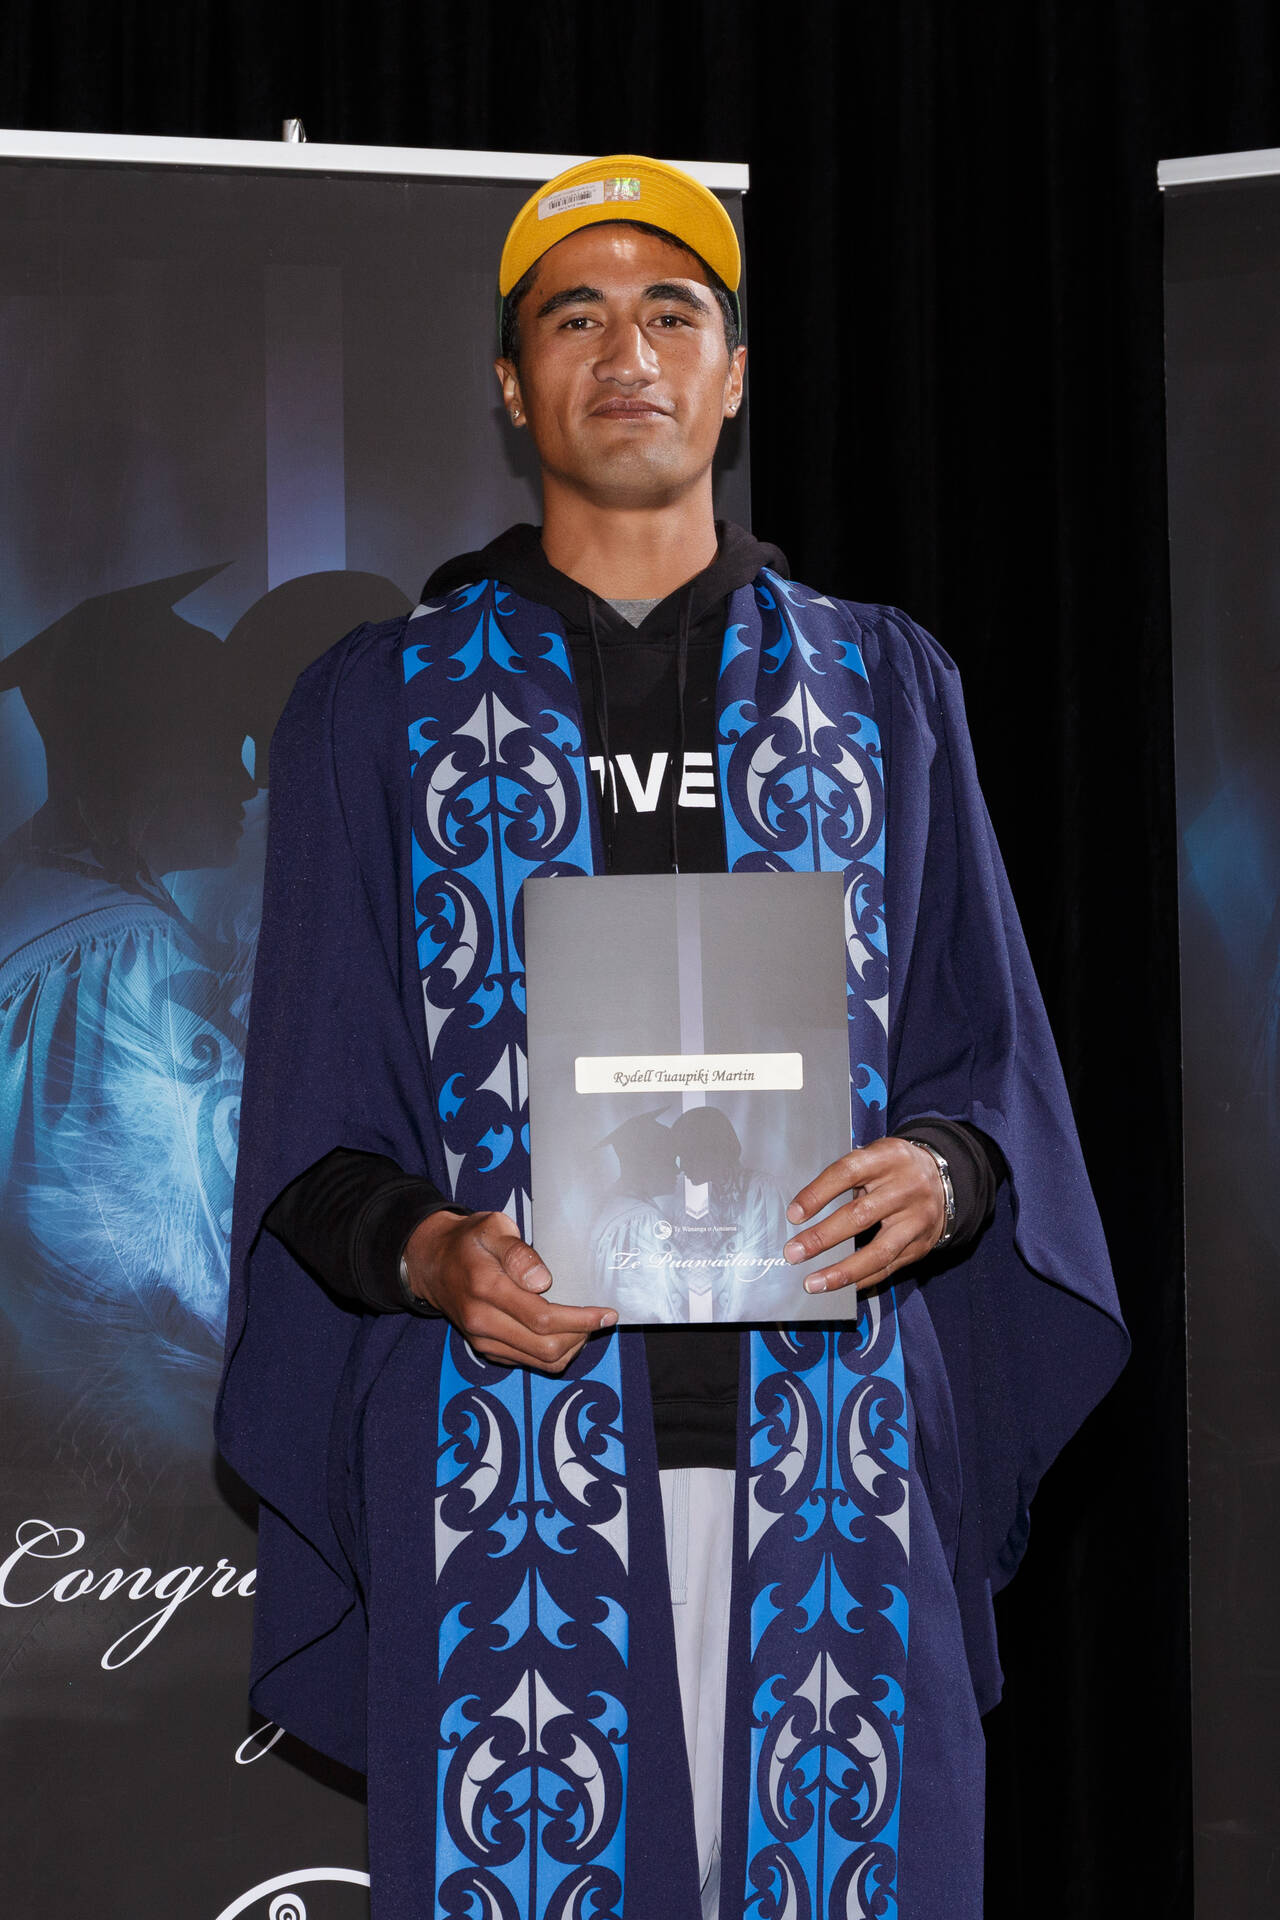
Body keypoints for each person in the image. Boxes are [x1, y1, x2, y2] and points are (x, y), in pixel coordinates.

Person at [217, 155, 1128, 1919]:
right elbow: (311, 1124)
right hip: (508, 1465)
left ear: (732, 374)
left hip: (833, 1465)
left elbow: (990, 1067)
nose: (626, 352)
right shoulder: (380, 706)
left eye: (671, 314)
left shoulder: (882, 689)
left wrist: (942, 1176)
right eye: (576, 317)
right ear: (512, 386)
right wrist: (428, 1251)